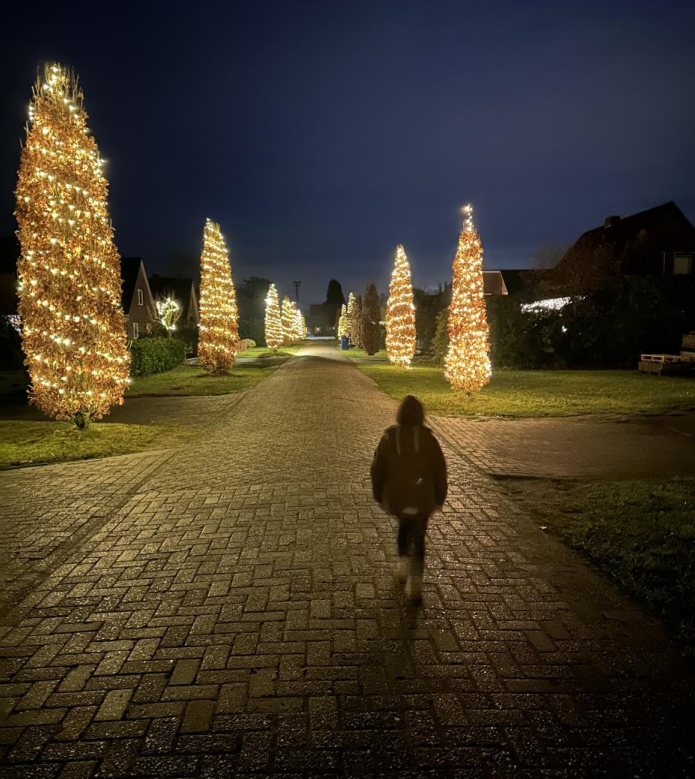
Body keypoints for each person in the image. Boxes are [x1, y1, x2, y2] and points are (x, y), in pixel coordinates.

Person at [370, 395, 448, 603]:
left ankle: (403, 563)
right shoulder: (429, 439)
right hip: (423, 497)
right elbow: (440, 470)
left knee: (404, 527)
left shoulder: (388, 438)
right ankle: (416, 582)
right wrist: (439, 496)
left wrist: (378, 493)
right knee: (419, 536)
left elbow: (377, 469)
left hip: (398, 497)